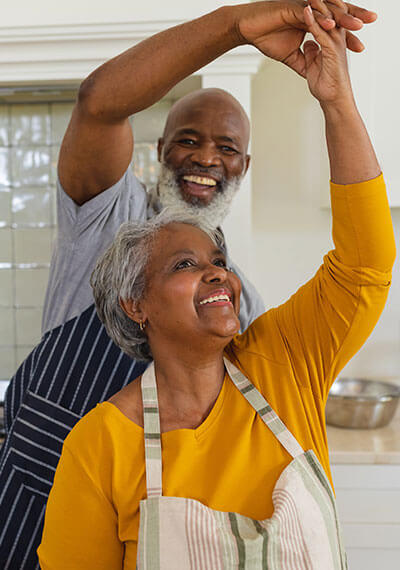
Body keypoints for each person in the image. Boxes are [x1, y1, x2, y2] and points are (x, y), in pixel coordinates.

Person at [0, 1, 379, 568]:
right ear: (134, 303)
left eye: (226, 148)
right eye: (189, 139)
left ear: (244, 166)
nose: (206, 157)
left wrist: (337, 99)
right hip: (29, 503)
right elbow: (99, 104)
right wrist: (233, 26)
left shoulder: (243, 310)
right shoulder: (112, 219)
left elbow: (364, 264)